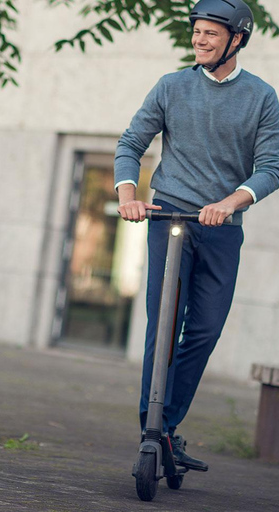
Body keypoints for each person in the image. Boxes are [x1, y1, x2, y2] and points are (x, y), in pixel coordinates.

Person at [114, 0, 279, 471]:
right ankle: (152, 429)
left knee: (204, 329)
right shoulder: (172, 86)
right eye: (197, 32)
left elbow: (272, 167)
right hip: (168, 221)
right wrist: (129, 194)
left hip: (222, 228)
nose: (199, 40)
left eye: (210, 33)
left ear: (237, 39)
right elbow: (131, 143)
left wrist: (229, 203)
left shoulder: (262, 97)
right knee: (162, 324)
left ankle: (167, 425)